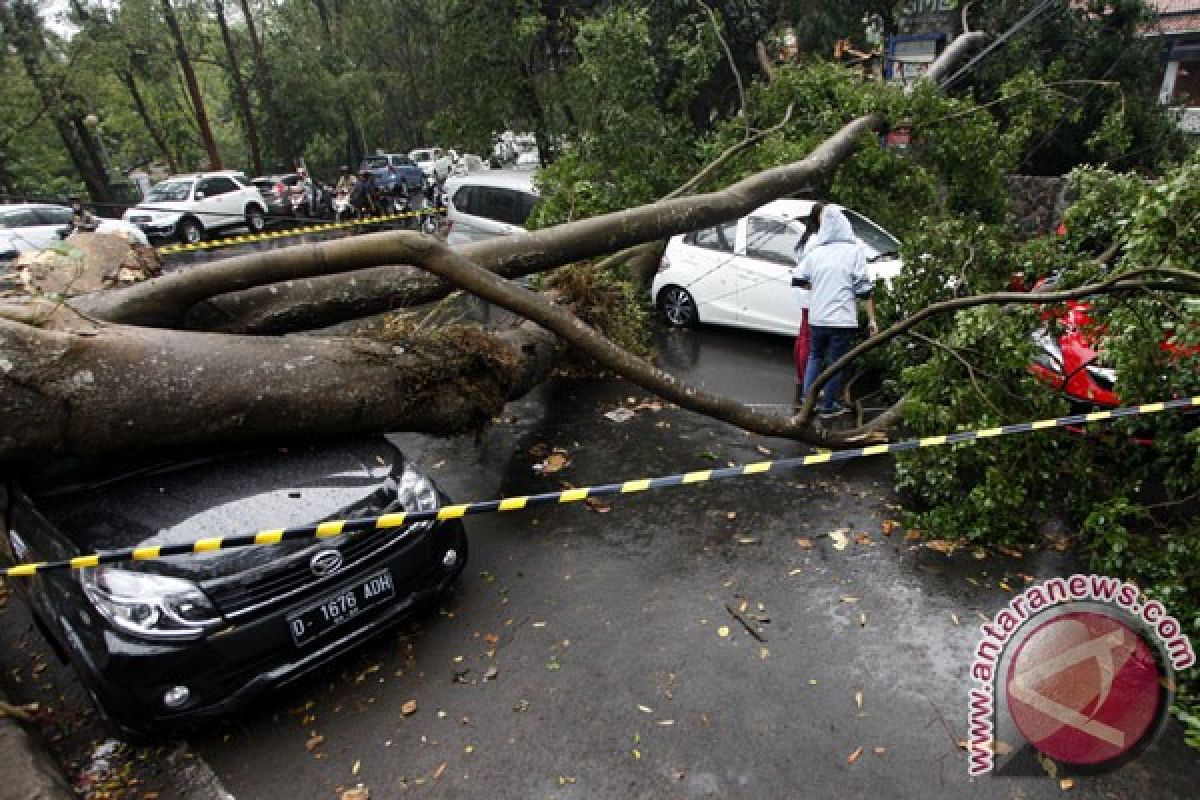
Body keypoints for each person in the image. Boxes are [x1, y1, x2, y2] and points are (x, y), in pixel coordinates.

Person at [792, 205, 879, 417]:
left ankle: (807, 400)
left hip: (817, 317)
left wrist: (819, 286)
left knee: (815, 357)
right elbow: (864, 289)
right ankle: (828, 406)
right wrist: (872, 320)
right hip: (841, 319)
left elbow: (798, 279)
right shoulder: (854, 251)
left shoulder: (817, 252)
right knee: (836, 364)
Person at [791, 202, 825, 400]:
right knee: (808, 339)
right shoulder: (815, 241)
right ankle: (806, 380)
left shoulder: (806, 239)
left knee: (803, 335)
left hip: (804, 294)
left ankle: (800, 376)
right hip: (810, 293)